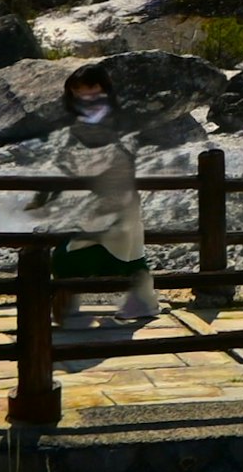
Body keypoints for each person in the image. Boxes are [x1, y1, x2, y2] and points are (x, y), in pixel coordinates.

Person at [34, 63, 156, 326]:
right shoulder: (74, 120)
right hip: (86, 199)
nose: (85, 97)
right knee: (124, 251)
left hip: (114, 196)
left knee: (81, 251)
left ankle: (70, 300)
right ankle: (139, 302)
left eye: (91, 90)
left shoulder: (115, 119)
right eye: (79, 92)